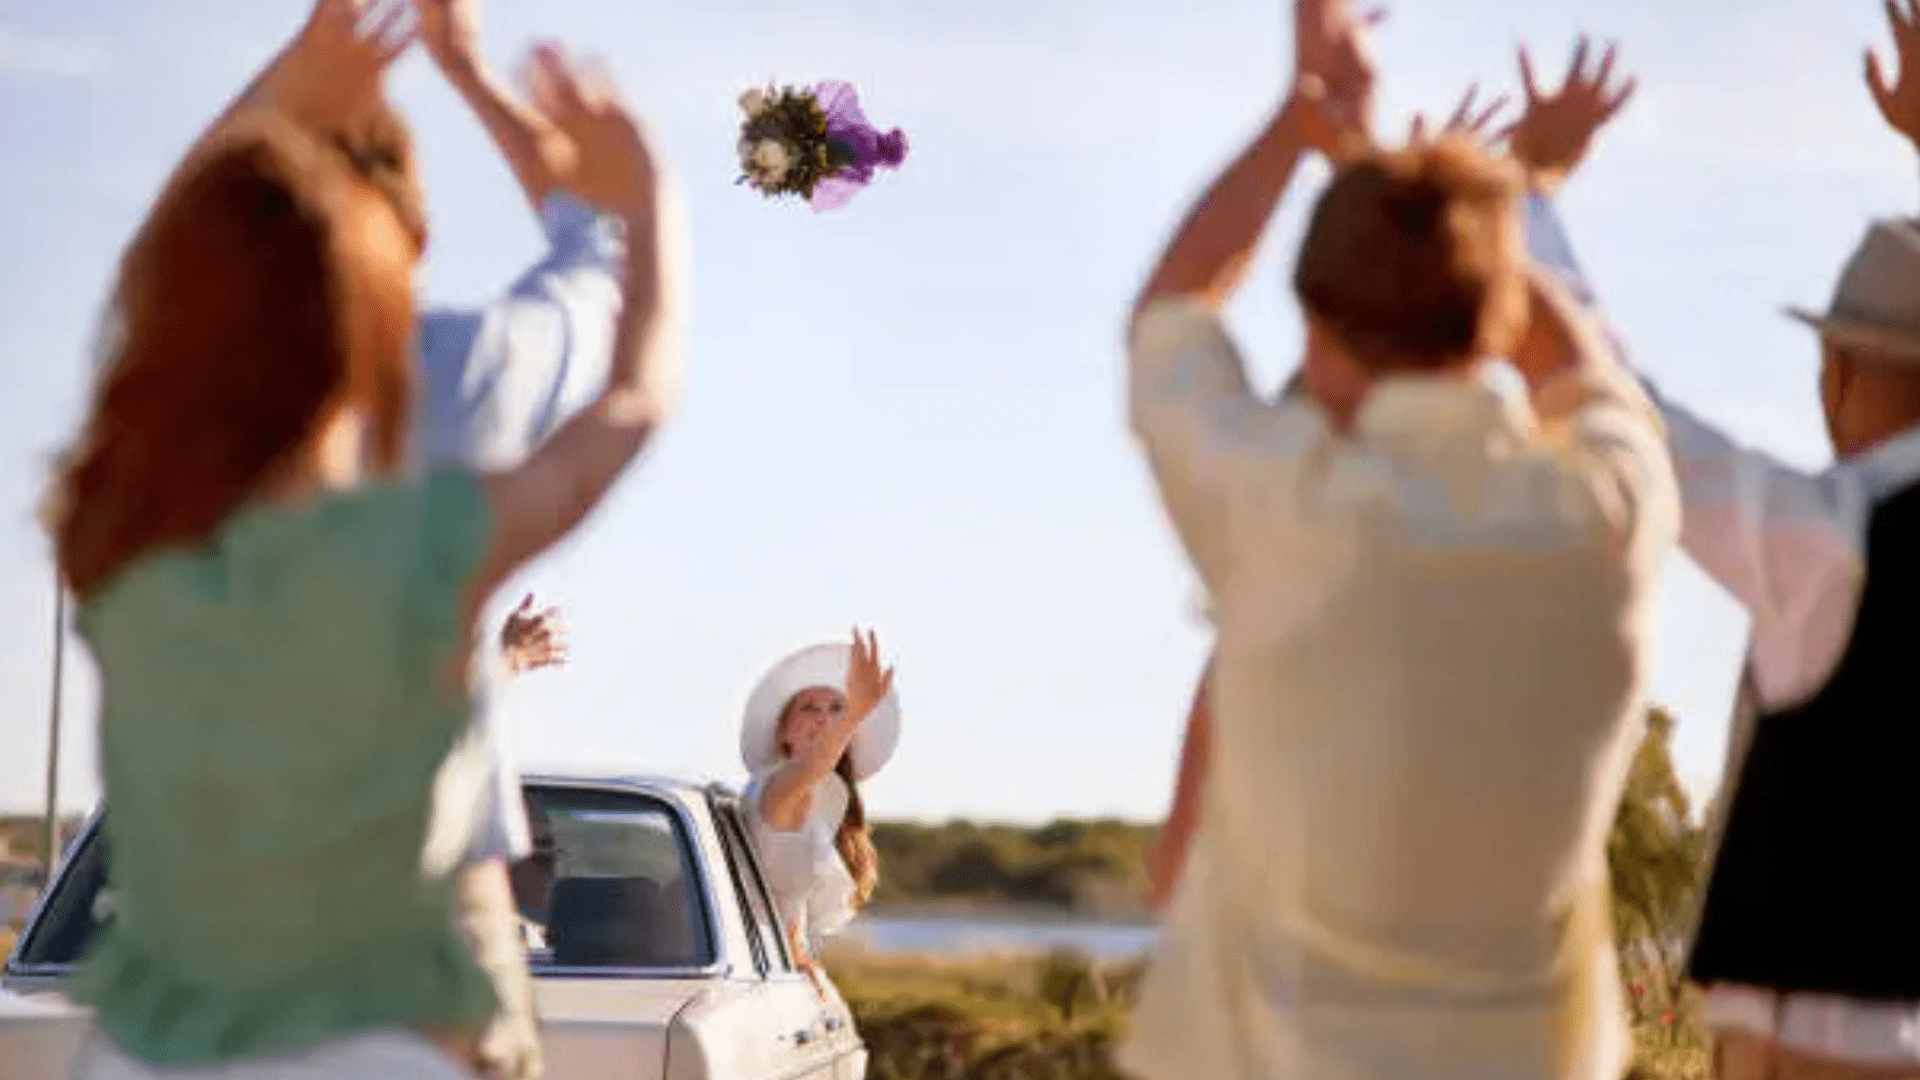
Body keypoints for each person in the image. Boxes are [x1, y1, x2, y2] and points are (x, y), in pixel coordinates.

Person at [47, 0, 685, 1074]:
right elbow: (619, 340)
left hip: (159, 1035)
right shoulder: (446, 441)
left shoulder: (119, 519)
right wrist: (500, 93)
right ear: (411, 238)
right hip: (402, 1005)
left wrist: (299, 73)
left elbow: (161, 269)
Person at [1116, 1, 1678, 1078]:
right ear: (1494, 318)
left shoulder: (1287, 509)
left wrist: (1311, 128)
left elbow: (1171, 308)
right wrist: (1456, 204)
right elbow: (1577, 364)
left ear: (1318, 327)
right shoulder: (1612, 509)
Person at [1521, 6, 1920, 1076]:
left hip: (1820, 1045)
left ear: (1836, 370)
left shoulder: (1831, 541)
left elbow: (1619, 406)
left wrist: (1525, 199)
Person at [740, 630, 900, 988]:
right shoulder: (775, 788)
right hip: (765, 978)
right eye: (809, 708)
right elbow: (810, 767)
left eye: (836, 709)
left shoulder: (827, 801)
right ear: (782, 732)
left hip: (783, 974)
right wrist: (854, 713)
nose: (825, 720)